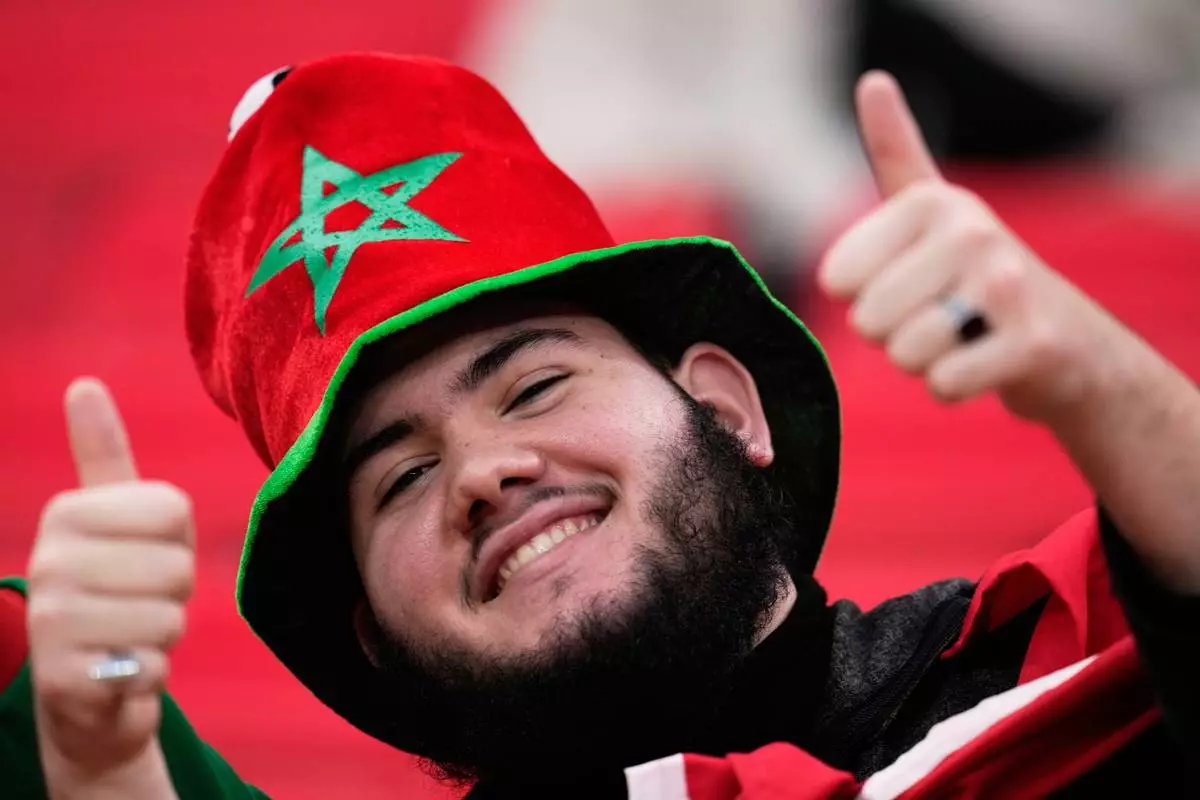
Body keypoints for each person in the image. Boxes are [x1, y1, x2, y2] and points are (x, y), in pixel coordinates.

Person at [3, 53, 1198, 799]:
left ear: (726, 408)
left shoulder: (1079, 678)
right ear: (377, 635)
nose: (481, 471)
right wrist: (103, 745)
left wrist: (1095, 372)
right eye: (401, 476)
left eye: (531, 385)